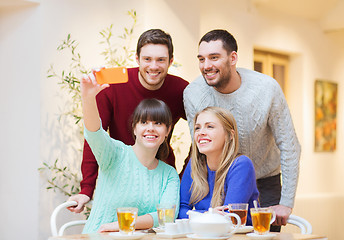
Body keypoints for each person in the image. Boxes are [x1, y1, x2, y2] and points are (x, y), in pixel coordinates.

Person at [183, 29, 301, 231]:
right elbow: (201, 144)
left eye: (214, 57)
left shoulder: (266, 89)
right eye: (201, 59)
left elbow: (290, 146)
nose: (206, 66)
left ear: (233, 58)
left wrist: (286, 202)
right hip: (219, 181)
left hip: (265, 182)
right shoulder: (193, 93)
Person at [67, 29, 188, 213]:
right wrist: (87, 188)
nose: (153, 66)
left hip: (160, 178)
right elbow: (94, 137)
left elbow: (204, 130)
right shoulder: (113, 85)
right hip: (120, 176)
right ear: (137, 58)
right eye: (147, 59)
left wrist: (186, 175)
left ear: (171, 61)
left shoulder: (181, 90)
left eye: (161, 60)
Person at [80, 70, 180, 233]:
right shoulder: (115, 153)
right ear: (134, 128)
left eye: (158, 123)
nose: (150, 128)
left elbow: (166, 217)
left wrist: (119, 225)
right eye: (143, 122)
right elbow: (94, 133)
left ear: (168, 130)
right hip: (98, 235)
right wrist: (88, 97)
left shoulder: (168, 174)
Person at [178, 107, 259, 226]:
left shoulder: (241, 165)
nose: (201, 132)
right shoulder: (194, 165)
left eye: (210, 126)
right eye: (197, 128)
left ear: (229, 135)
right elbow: (181, 210)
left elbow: (227, 217)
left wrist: (196, 214)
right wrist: (208, 214)